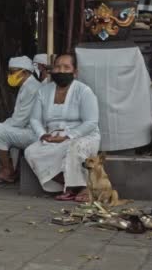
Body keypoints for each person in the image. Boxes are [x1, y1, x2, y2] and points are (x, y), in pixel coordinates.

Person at [24, 53, 100, 202]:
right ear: (52, 70)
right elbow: (34, 119)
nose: (61, 71)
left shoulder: (84, 91)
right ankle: (69, 185)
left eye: (66, 67)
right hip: (53, 137)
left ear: (75, 72)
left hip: (82, 135)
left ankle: (84, 187)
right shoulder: (43, 91)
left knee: (74, 147)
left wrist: (68, 136)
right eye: (58, 67)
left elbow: (91, 122)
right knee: (31, 151)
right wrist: (42, 135)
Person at [0, 56, 42, 184]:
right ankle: (10, 169)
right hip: (27, 129)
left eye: (13, 72)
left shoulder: (32, 88)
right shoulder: (27, 86)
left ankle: (7, 171)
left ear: (25, 72)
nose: (10, 75)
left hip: (33, 133)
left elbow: (20, 120)